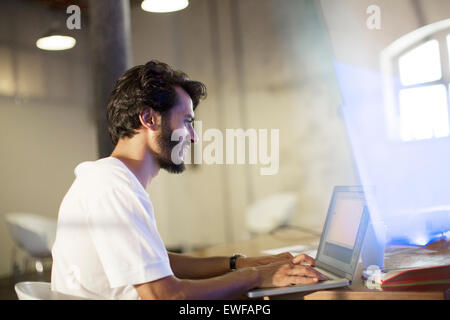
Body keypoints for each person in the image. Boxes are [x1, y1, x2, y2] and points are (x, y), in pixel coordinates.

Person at [51, 60, 326, 300]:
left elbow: (158, 263)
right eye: (187, 121)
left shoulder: (108, 179)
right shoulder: (111, 185)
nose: (193, 136)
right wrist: (255, 276)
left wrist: (241, 264)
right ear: (148, 118)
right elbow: (165, 296)